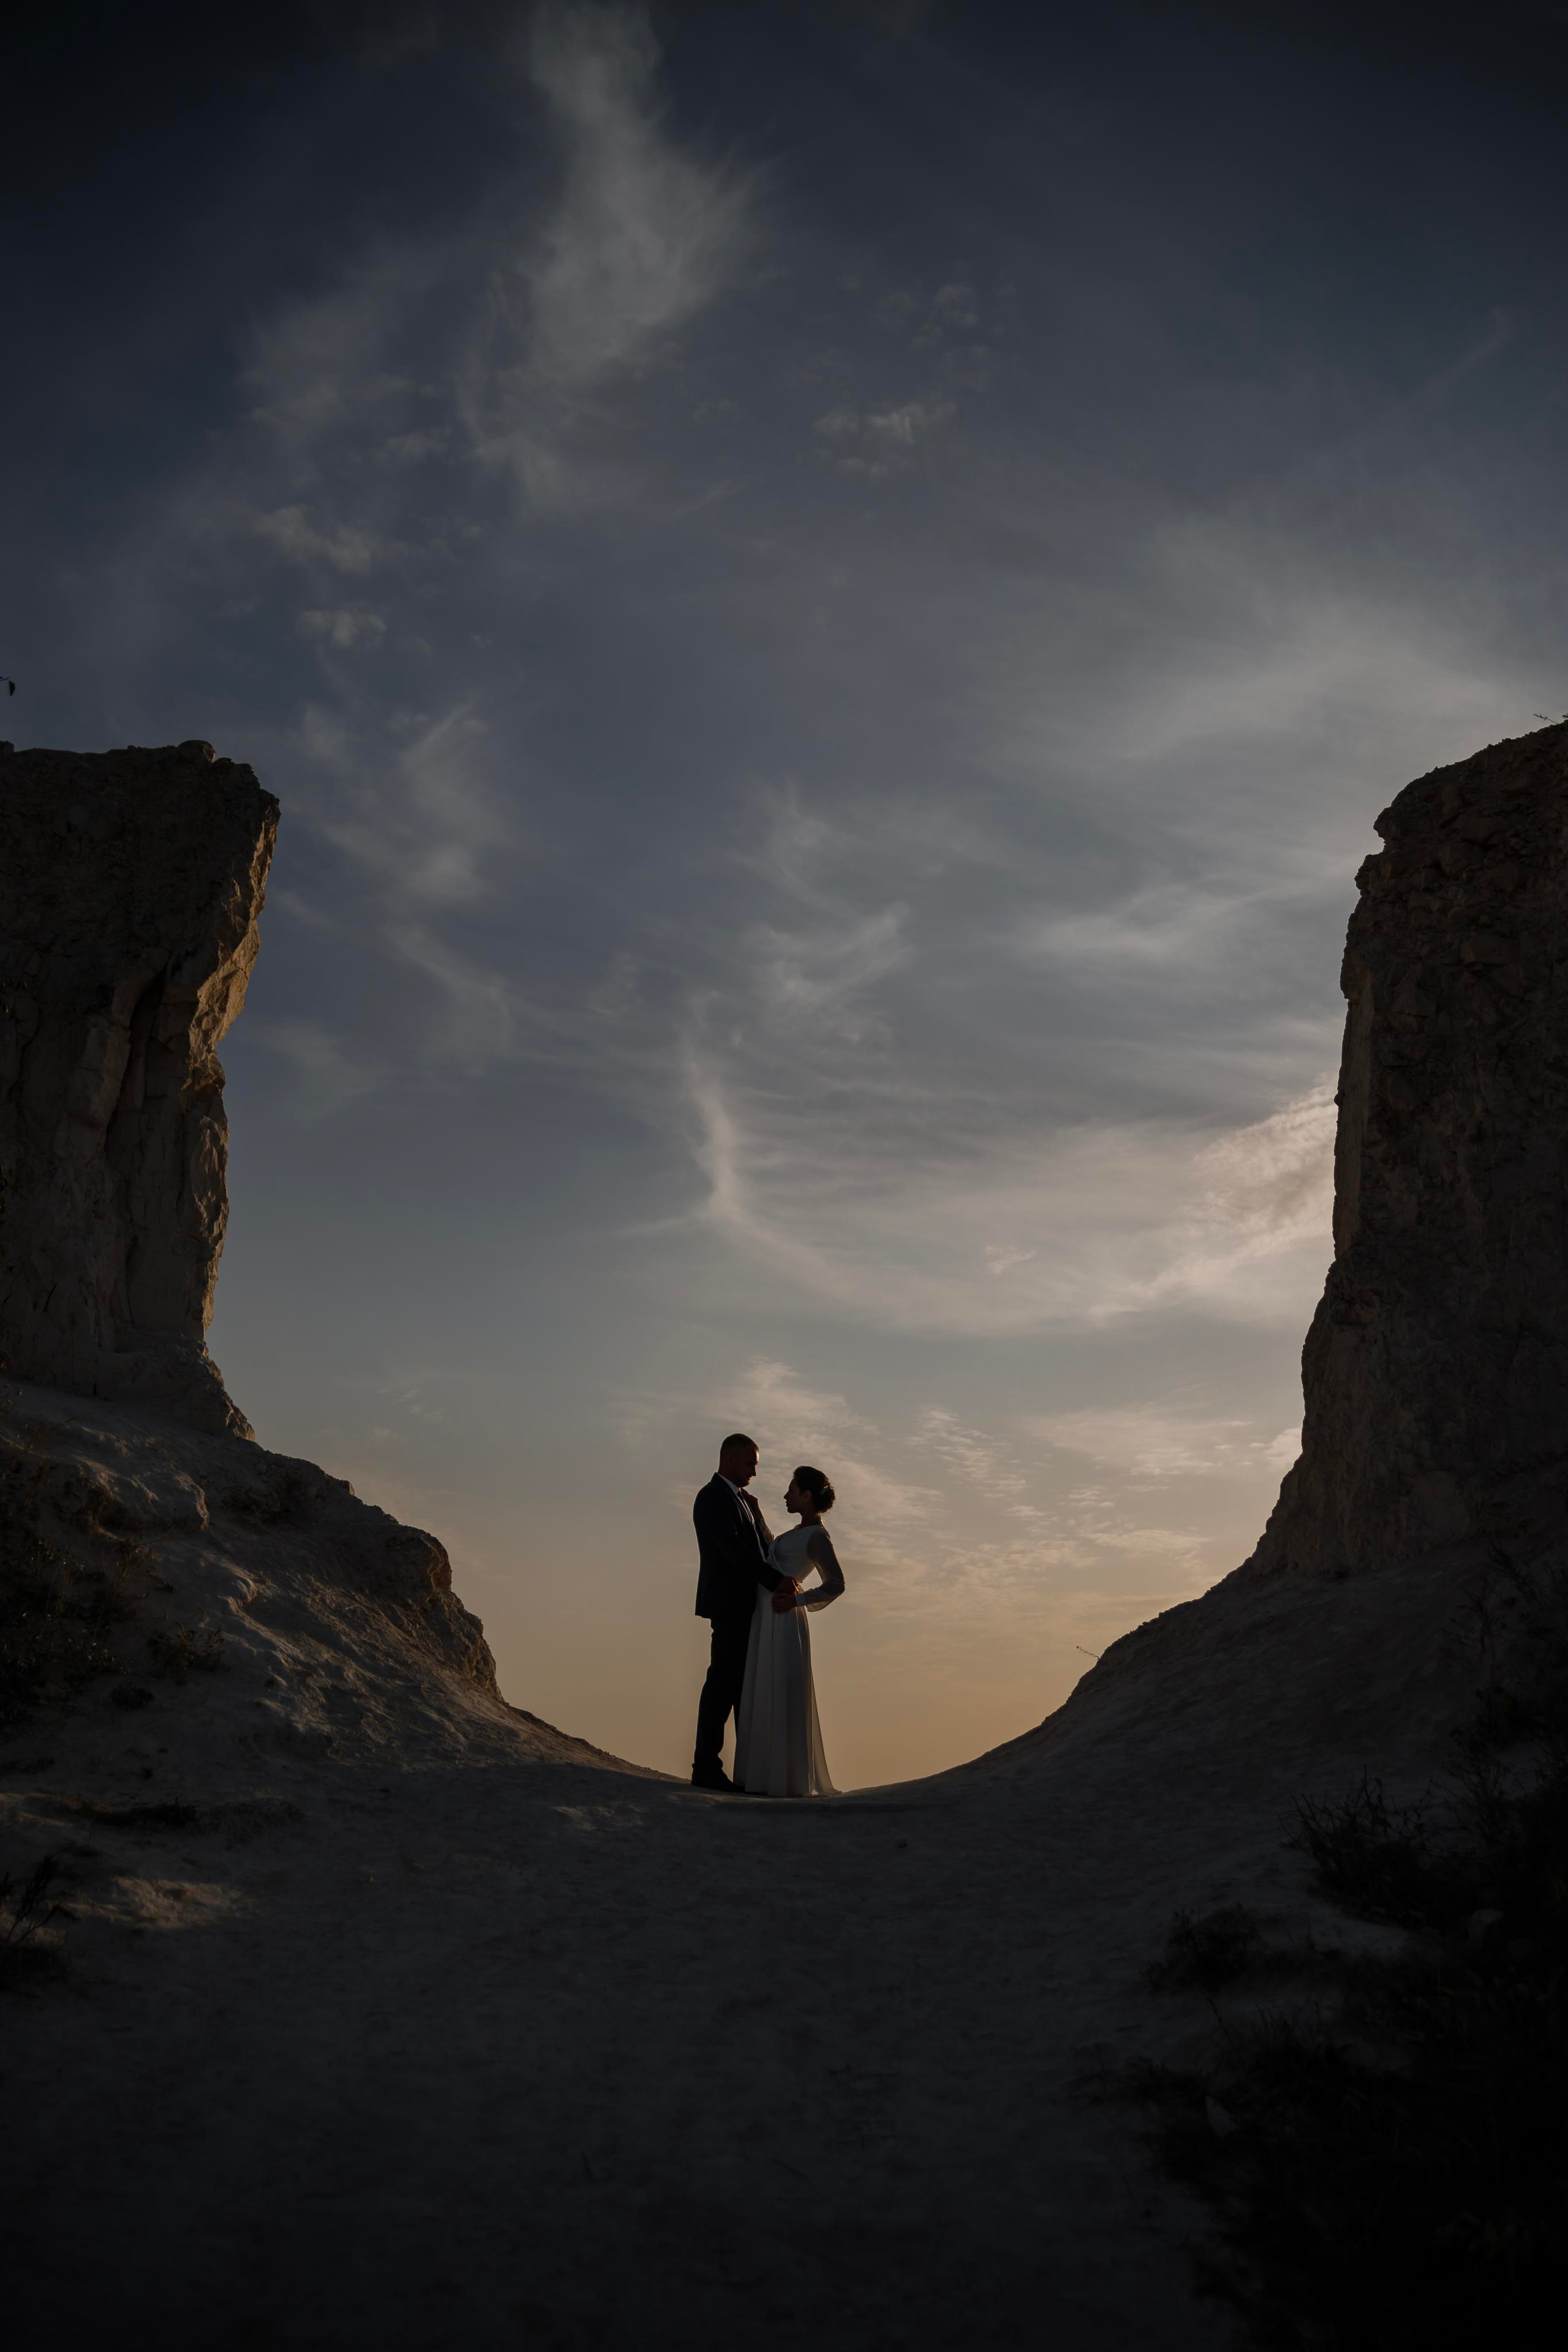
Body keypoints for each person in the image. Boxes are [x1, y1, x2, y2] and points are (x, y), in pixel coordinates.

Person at [690, 1433, 796, 1790]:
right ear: (731, 1459)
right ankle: (706, 1768)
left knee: (740, 1688)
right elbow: (734, 1550)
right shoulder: (712, 1497)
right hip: (728, 1604)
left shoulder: (742, 1501)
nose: (754, 1471)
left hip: (747, 1606)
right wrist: (776, 1581)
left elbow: (761, 1547)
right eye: (751, 1463)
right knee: (722, 1684)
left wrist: (758, 1513)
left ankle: (747, 1770)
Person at [733, 1464, 845, 1799]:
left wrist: (797, 1600)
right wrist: (757, 1515)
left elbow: (836, 1583)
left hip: (784, 1616)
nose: (786, 1496)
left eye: (792, 1491)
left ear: (807, 1496)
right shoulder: (798, 1532)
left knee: (779, 1686)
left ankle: (786, 1779)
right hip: (766, 1614)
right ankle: (764, 1775)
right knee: (763, 1685)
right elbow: (774, 1556)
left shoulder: (818, 1537)